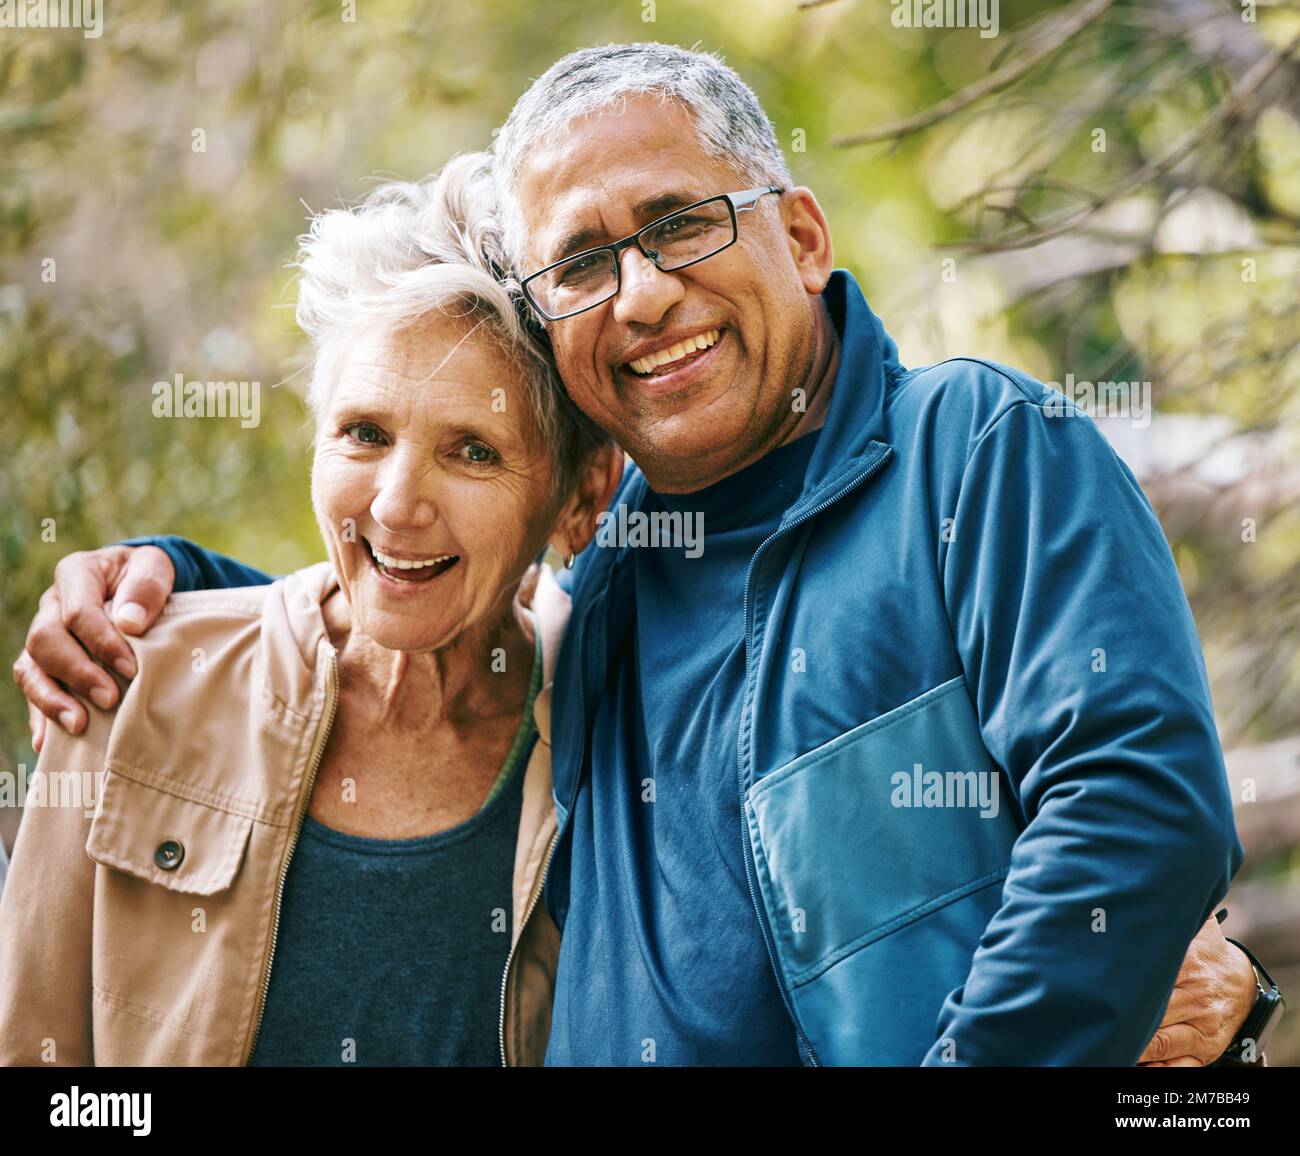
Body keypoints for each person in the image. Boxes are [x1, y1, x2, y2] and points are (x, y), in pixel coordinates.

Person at [14, 43, 1274, 1066]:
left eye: (677, 225)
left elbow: (1134, 805)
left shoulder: (973, 451)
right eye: (579, 262)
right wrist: (169, 584)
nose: (640, 294)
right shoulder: (613, 574)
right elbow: (423, 599)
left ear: (802, 235)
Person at [0, 155, 620, 1065]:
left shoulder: (620, 737)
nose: (397, 504)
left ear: (580, 496)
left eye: (473, 452)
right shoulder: (119, 683)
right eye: (364, 433)